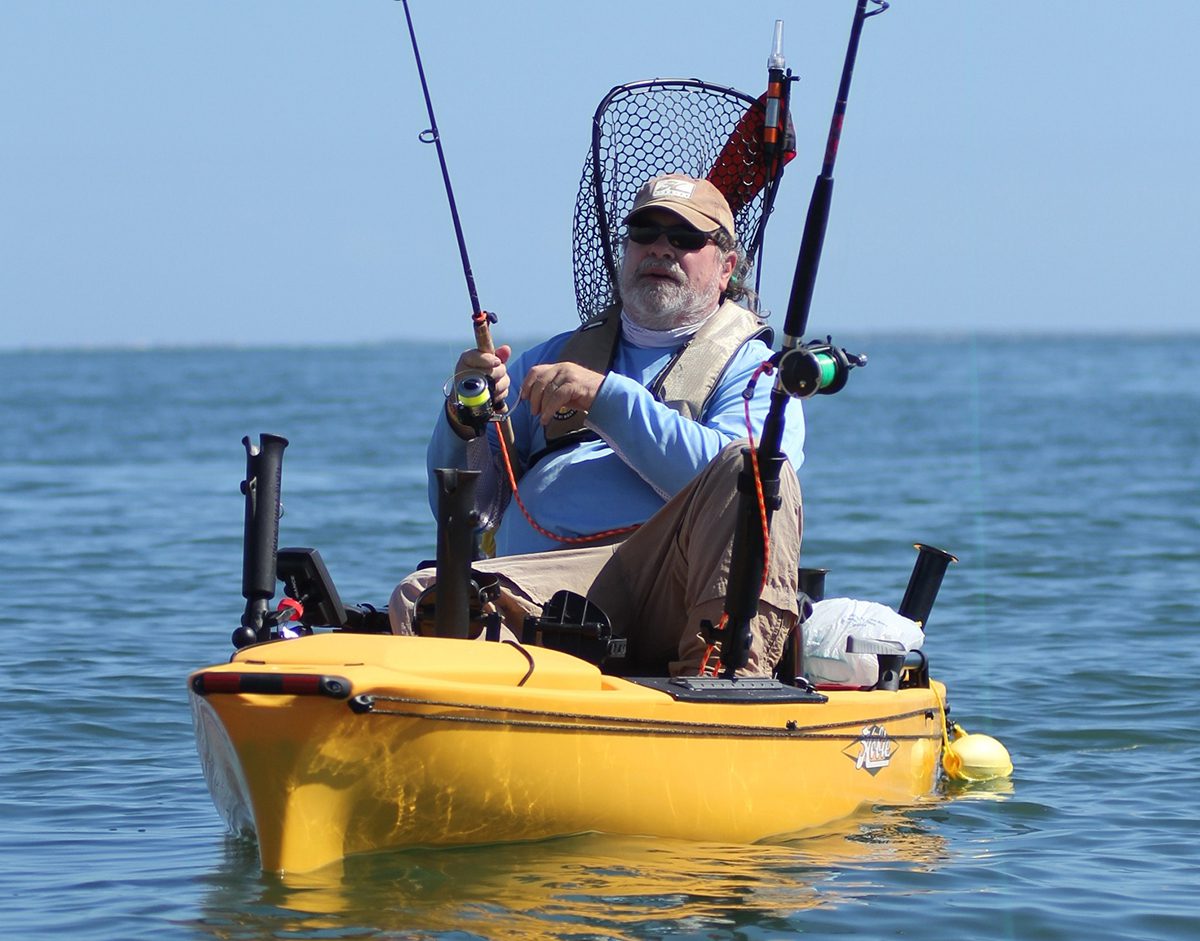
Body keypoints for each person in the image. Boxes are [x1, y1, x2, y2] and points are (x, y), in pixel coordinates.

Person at [389, 174, 806, 676]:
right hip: (549, 582)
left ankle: (721, 681)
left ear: (726, 267)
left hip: (668, 587)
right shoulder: (548, 359)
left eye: (685, 238)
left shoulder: (756, 370)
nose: (660, 249)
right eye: (644, 233)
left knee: (755, 468)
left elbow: (750, 488)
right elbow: (467, 513)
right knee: (423, 597)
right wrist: (463, 418)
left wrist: (605, 398)